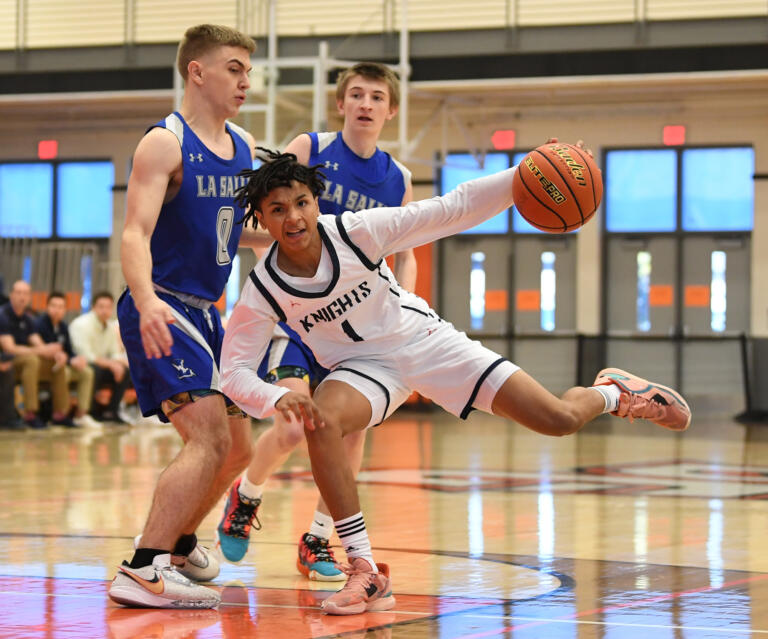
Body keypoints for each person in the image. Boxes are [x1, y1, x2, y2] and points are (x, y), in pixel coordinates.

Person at [219, 148, 692, 615]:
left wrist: (527, 172)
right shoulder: (262, 289)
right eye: (278, 210)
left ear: (316, 202)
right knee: (319, 420)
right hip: (361, 370)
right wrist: (276, 397)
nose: (294, 217)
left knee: (558, 419)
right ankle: (364, 570)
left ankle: (613, 392)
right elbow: (234, 372)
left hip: (426, 342)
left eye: (301, 202)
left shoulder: (356, 232)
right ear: (260, 219)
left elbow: (453, 207)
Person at [215, 62, 416, 580]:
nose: (366, 104)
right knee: (291, 425)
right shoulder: (311, 149)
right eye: (356, 94)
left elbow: (406, 253)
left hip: (361, 326)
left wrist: (406, 314)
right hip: (300, 314)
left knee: (351, 437)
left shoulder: (399, 179)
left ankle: (318, 539)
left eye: (376, 97)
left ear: (390, 110)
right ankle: (247, 495)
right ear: (341, 104)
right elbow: (270, 207)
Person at [106, 23, 267, 610]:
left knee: (240, 448)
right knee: (208, 435)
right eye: (234, 67)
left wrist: (280, 235)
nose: (246, 80)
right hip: (163, 301)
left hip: (209, 310)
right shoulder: (164, 143)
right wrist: (147, 301)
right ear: (197, 71)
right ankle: (144, 566)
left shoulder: (245, 147)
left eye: (248, 70)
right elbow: (134, 232)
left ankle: (177, 549)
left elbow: (226, 226)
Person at [0, 280, 74, 429]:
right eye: (18, 293)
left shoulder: (28, 319)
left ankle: (60, 414)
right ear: (11, 295)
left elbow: (38, 343)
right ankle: (30, 413)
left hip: (23, 361)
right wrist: (41, 351)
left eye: (25, 293)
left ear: (29, 297)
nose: (22, 297)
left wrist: (54, 353)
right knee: (32, 360)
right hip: (6, 360)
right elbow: (9, 348)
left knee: (56, 363)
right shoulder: (3, 315)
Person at [35, 291, 100, 429]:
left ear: (65, 310)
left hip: (63, 364)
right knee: (64, 372)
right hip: (47, 366)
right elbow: (38, 349)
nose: (57, 310)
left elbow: (68, 352)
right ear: (47, 307)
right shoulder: (39, 324)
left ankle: (81, 415)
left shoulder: (64, 327)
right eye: (54, 306)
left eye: (61, 307)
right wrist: (64, 359)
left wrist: (76, 359)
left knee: (87, 372)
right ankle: (60, 414)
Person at [69, 291, 132, 424]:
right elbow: (86, 356)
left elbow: (114, 353)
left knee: (125, 371)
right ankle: (91, 412)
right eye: (101, 306)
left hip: (100, 364)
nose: (105, 310)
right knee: (94, 370)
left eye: (108, 307)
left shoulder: (109, 327)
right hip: (79, 364)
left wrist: (122, 364)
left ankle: (111, 412)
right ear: (93, 307)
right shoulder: (81, 324)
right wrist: (111, 364)